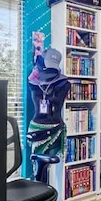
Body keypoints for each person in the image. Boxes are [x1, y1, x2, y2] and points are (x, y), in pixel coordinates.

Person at [27, 48, 71, 181]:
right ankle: (39, 196)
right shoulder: (32, 82)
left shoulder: (64, 83)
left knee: (48, 166)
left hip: (55, 129)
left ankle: (46, 195)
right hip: (37, 130)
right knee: (38, 168)